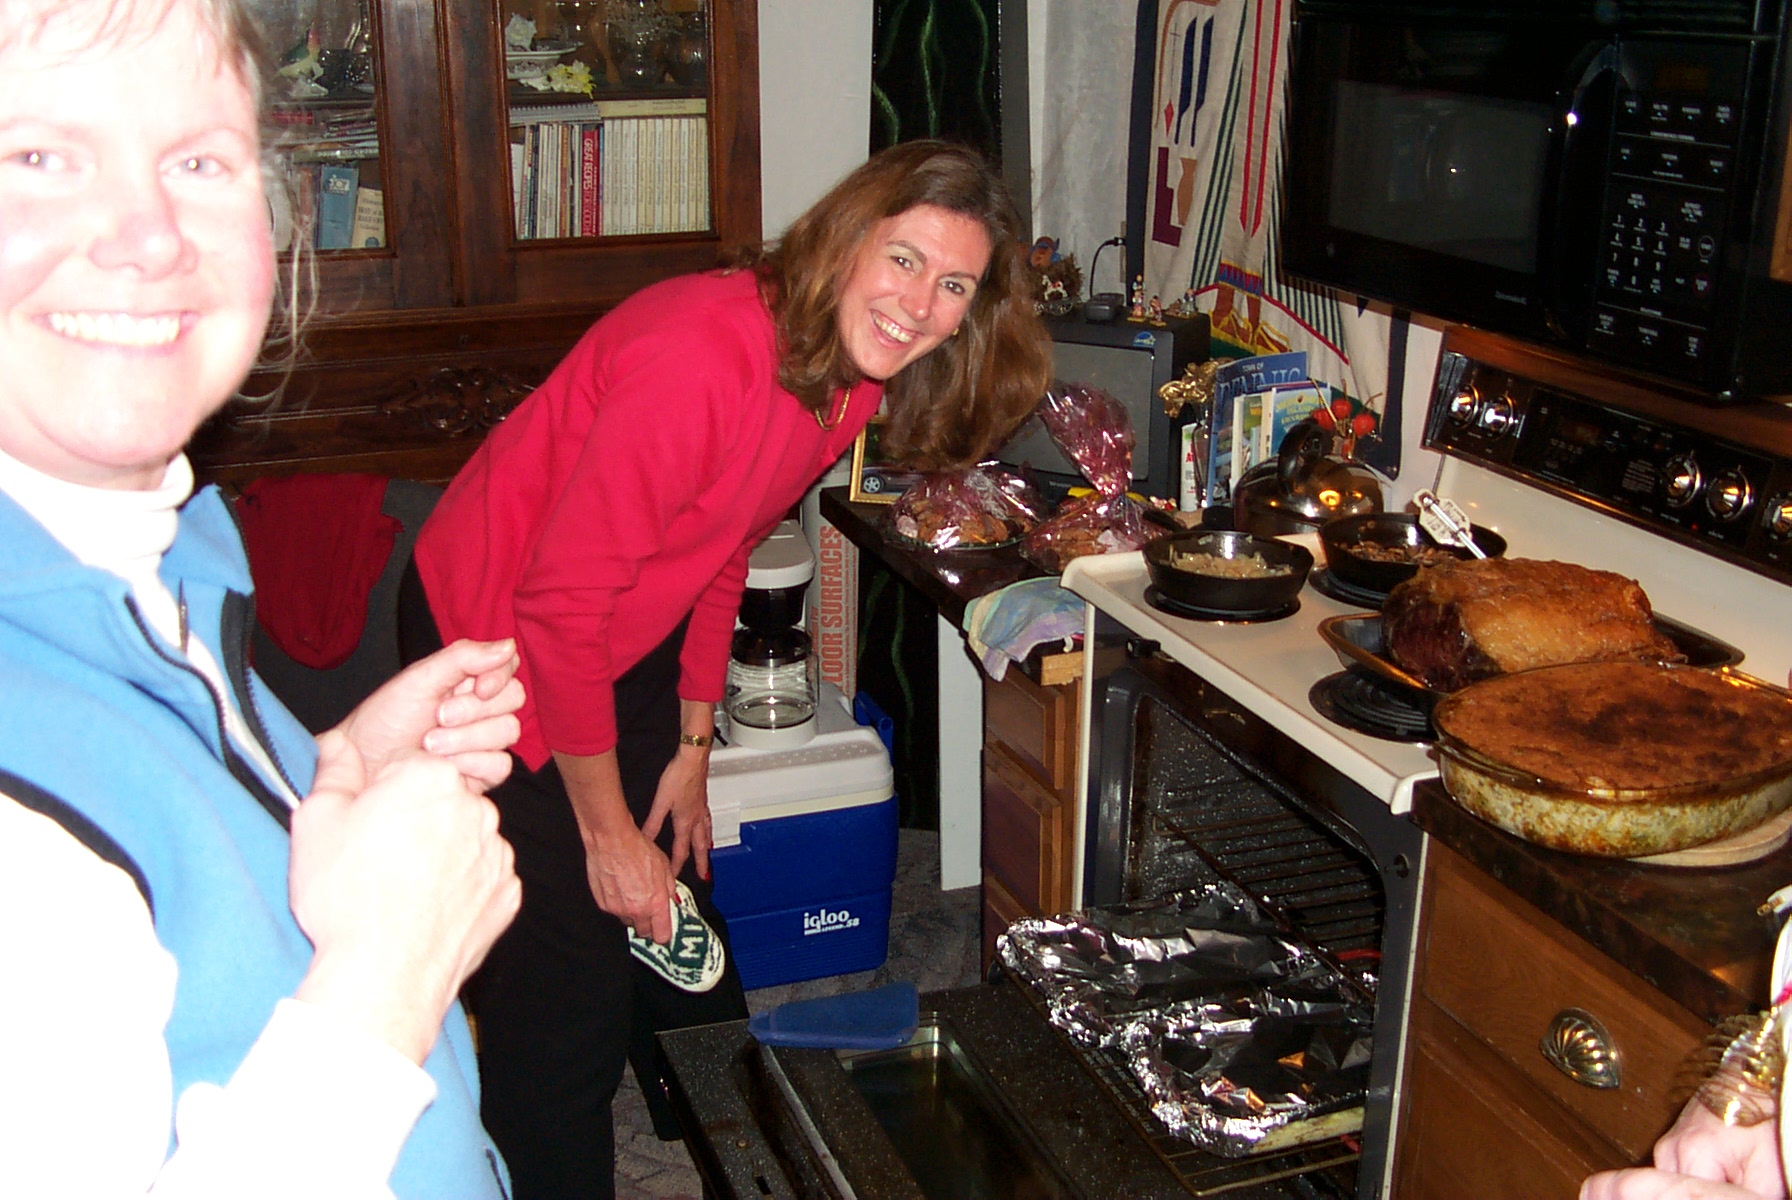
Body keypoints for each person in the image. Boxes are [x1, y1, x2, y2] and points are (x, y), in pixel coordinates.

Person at [405, 138, 1052, 1197]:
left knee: (676, 882)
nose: (919, 305)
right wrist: (604, 835)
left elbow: (727, 543)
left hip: (618, 624)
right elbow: (558, 608)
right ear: (849, 239)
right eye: (904, 260)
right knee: (564, 987)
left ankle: (712, 1132)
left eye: (953, 286)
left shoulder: (847, 382)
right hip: (492, 636)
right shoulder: (702, 355)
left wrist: (695, 741)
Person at [0, 0, 526, 1194]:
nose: (148, 237)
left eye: (199, 161)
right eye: (38, 156)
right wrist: (392, 968)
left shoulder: (158, 555)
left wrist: (324, 769)